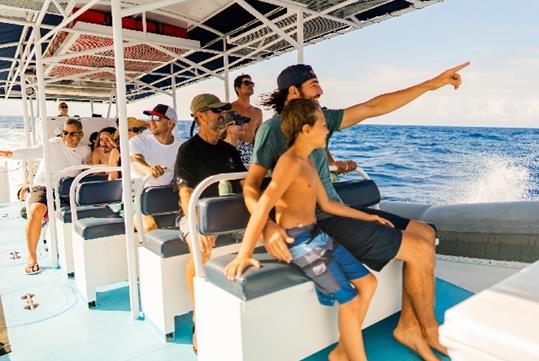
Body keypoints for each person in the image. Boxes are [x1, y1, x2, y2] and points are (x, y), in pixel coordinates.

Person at [245, 62, 470, 361]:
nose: (321, 90)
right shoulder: (271, 131)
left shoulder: (319, 118)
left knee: (425, 232)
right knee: (417, 250)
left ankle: (408, 327)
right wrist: (268, 228)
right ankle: (429, 331)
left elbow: (372, 107)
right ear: (294, 91)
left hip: (337, 209)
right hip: (320, 223)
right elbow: (251, 188)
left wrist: (430, 84)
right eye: (314, 85)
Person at [226, 99, 386, 361]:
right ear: (306, 130)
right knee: (351, 300)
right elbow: (263, 205)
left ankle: (342, 352)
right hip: (299, 242)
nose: (327, 130)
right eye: (323, 125)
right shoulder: (289, 163)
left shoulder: (309, 161)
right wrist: (244, 253)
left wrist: (369, 218)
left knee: (368, 283)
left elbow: (328, 204)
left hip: (316, 236)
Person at [174, 93, 246, 353]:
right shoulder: (188, 151)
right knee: (200, 249)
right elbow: (185, 193)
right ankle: (199, 318)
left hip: (230, 215)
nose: (222, 115)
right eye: (216, 111)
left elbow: (245, 184)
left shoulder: (229, 151)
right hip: (195, 214)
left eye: (223, 111)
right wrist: (198, 226)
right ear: (200, 116)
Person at [0, 118, 90, 275]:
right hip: (44, 186)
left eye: (72, 134)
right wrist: (8, 154)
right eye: (65, 133)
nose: (67, 137)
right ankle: (32, 257)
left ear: (81, 135)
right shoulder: (54, 143)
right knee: (36, 211)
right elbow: (30, 151)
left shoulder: (85, 150)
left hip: (67, 189)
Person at [129, 104, 182, 232]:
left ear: (170, 123)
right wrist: (149, 170)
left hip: (169, 198)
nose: (151, 120)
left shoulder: (182, 146)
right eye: (150, 117)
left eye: (157, 118)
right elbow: (136, 160)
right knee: (150, 227)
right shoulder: (138, 141)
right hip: (137, 198)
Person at [230, 74, 263, 166]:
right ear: (238, 88)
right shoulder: (229, 108)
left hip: (251, 153)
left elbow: (259, 137)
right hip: (232, 151)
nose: (250, 85)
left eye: (252, 83)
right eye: (246, 83)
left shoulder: (257, 112)